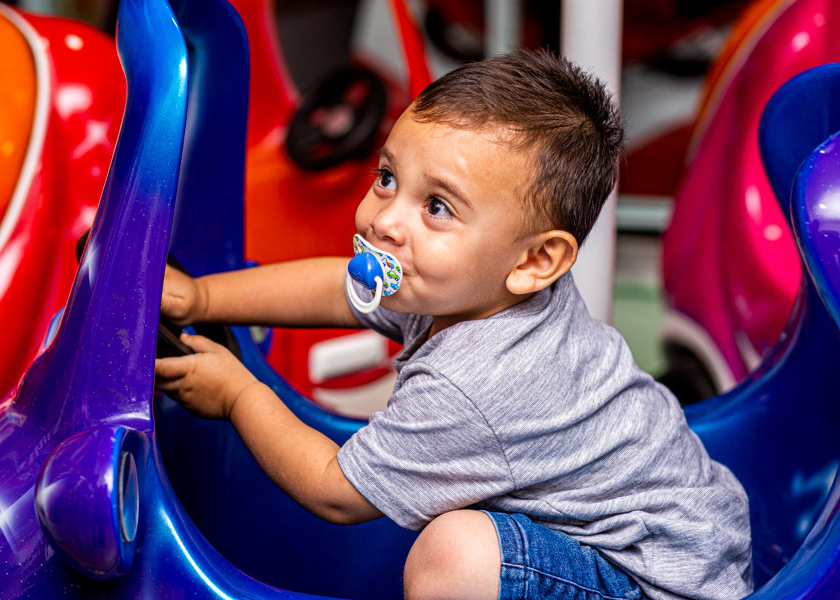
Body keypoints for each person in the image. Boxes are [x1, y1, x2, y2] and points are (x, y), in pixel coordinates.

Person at [154, 49, 753, 600]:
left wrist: (237, 394)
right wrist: (203, 298)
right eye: (387, 177)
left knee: (455, 555)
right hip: (678, 531)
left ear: (536, 261)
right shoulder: (470, 280)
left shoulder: (474, 380)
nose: (384, 220)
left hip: (656, 584)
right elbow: (341, 284)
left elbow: (335, 493)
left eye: (436, 206)